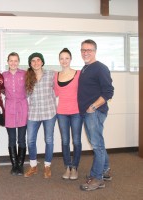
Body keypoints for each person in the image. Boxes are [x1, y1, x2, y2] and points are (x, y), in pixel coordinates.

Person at [78, 39, 114, 191]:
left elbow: (108, 91)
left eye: (89, 50)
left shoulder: (100, 68)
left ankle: (97, 178)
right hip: (88, 113)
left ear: (95, 51)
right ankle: (105, 170)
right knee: (99, 142)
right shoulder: (86, 68)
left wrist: (93, 106)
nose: (86, 53)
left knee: (97, 145)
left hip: (95, 112)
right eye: (83, 50)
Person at [24, 52, 57, 178]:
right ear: (30, 64)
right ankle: (33, 166)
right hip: (33, 113)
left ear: (42, 62)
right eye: (33, 61)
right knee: (30, 140)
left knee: (49, 140)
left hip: (49, 112)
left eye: (38, 60)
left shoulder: (51, 74)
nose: (36, 62)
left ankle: (47, 166)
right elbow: (25, 95)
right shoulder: (28, 77)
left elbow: (58, 89)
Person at [54, 48, 83, 180]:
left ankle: (75, 167)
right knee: (65, 141)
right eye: (61, 58)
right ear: (59, 60)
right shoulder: (56, 76)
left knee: (76, 141)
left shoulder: (79, 73)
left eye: (66, 58)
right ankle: (67, 167)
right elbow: (55, 93)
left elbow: (85, 91)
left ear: (70, 59)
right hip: (61, 113)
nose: (64, 61)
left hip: (77, 112)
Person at [2, 52, 28, 176]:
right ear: (8, 62)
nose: (13, 63)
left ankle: (21, 165)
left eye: (15, 60)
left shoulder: (25, 74)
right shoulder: (3, 75)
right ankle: (14, 166)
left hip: (22, 107)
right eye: (11, 60)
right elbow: (1, 90)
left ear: (18, 61)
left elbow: (30, 87)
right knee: (12, 139)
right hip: (9, 108)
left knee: (21, 140)